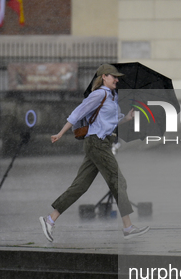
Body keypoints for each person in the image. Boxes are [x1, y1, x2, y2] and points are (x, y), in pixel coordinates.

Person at [39, 64, 149, 242]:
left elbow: (109, 124)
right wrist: (60, 133)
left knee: (80, 186)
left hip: (99, 143)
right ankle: (128, 227)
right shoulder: (99, 94)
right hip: (97, 144)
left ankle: (50, 219)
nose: (117, 79)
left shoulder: (112, 97)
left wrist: (126, 118)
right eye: (113, 76)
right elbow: (77, 113)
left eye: (117, 77)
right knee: (118, 181)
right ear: (104, 77)